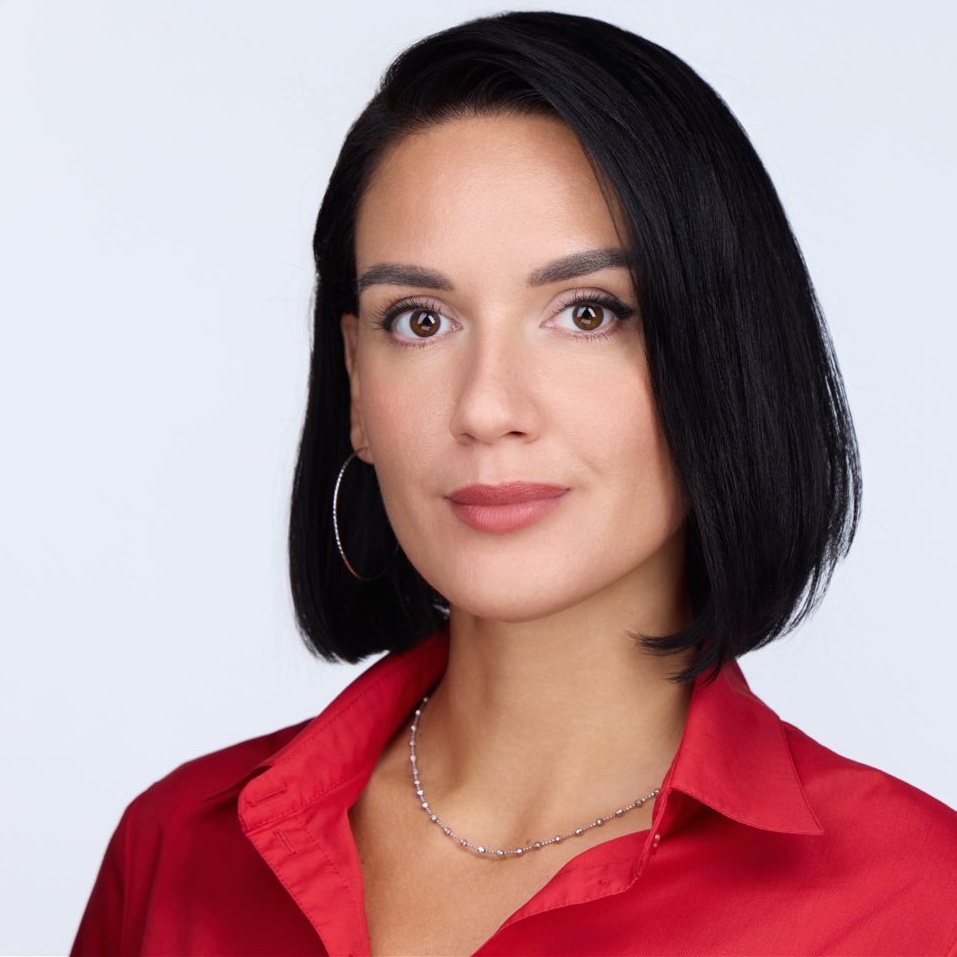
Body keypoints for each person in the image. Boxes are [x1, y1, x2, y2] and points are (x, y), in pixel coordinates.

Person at [71, 11, 957, 955]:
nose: (486, 407)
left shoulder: (913, 905)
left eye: (587, 313)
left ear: (722, 359)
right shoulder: (174, 848)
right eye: (420, 320)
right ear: (357, 386)